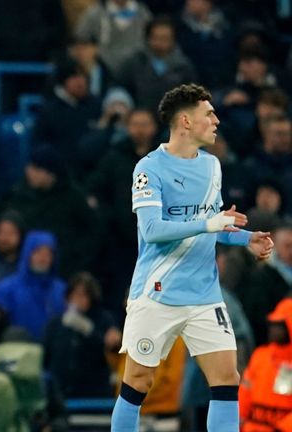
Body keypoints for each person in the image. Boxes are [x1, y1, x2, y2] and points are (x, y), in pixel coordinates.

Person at [111, 83, 276, 431]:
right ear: (186, 121)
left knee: (227, 378)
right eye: (209, 114)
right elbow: (152, 229)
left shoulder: (212, 166)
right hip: (157, 292)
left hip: (204, 295)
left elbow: (214, 226)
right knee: (137, 382)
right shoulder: (149, 168)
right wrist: (208, 223)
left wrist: (246, 238)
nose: (216, 121)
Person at [239, 298, 292, 431]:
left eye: (279, 325)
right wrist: (237, 421)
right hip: (252, 427)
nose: (273, 329)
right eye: (272, 324)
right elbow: (244, 394)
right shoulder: (260, 355)